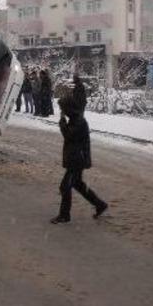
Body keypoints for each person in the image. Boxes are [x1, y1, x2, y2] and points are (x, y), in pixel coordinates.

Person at [51, 96, 108, 224]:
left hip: (77, 160)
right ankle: (100, 205)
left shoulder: (78, 120)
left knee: (65, 187)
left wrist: (62, 121)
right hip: (77, 158)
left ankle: (64, 215)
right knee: (78, 185)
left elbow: (68, 135)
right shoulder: (75, 118)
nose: (62, 111)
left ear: (68, 108)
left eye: (63, 108)